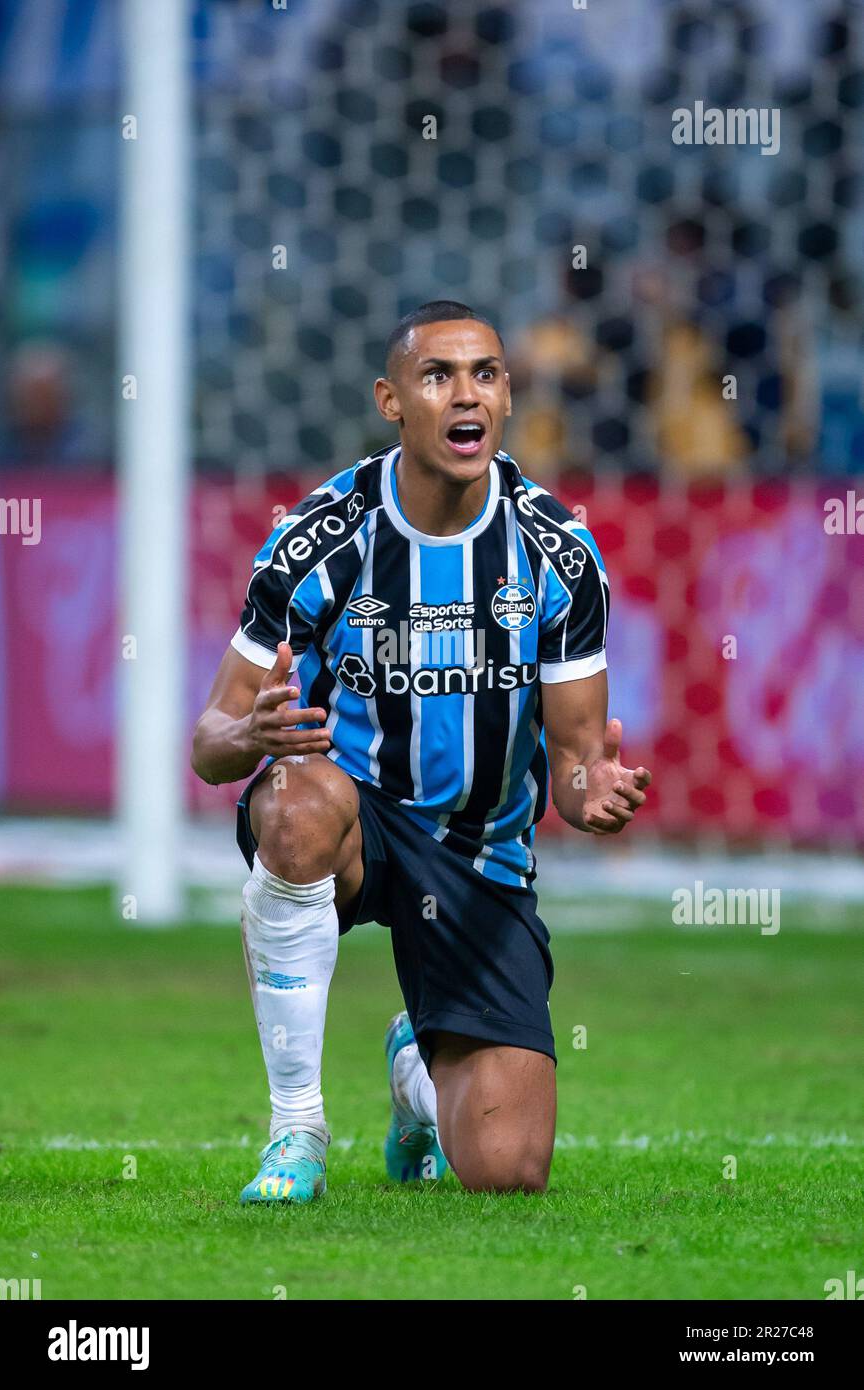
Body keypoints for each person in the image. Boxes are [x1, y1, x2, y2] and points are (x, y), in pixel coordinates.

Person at [191, 300, 651, 1202]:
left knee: (508, 1173)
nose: (464, 394)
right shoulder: (320, 537)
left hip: (482, 852)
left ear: (508, 395)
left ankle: (415, 1070)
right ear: (391, 400)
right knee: (293, 804)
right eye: (437, 376)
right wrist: (250, 736)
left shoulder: (558, 553)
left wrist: (591, 790)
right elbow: (210, 742)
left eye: (484, 373)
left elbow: (573, 762)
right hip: (353, 817)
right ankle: (297, 1131)